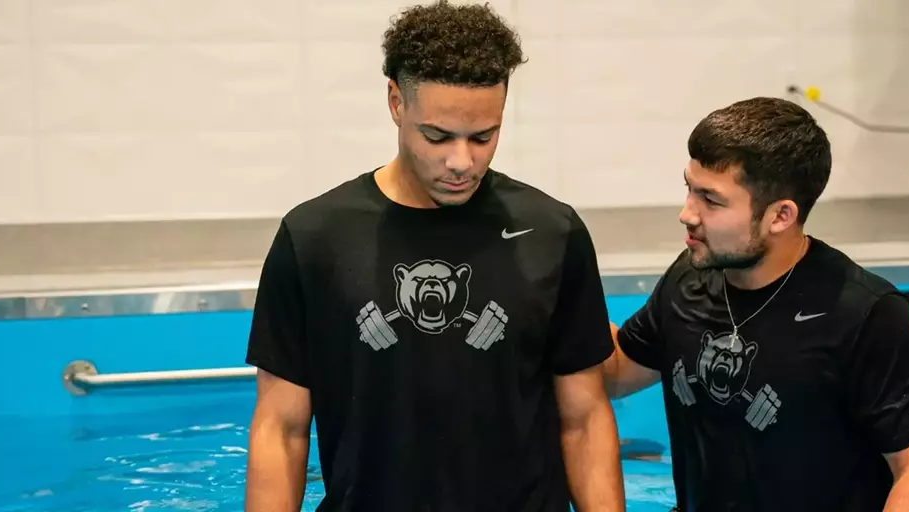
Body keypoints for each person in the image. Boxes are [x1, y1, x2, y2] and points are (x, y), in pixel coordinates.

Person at [243, 2, 625, 510]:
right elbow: (281, 429)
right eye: (438, 136)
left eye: (483, 137)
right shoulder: (315, 237)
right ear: (396, 102)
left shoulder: (551, 233)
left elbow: (584, 420)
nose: (462, 162)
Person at [601, 97, 909, 511]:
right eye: (689, 189)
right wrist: (549, 296)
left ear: (780, 216)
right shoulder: (689, 278)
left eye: (711, 200)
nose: (687, 213)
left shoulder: (863, 314)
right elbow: (617, 370)